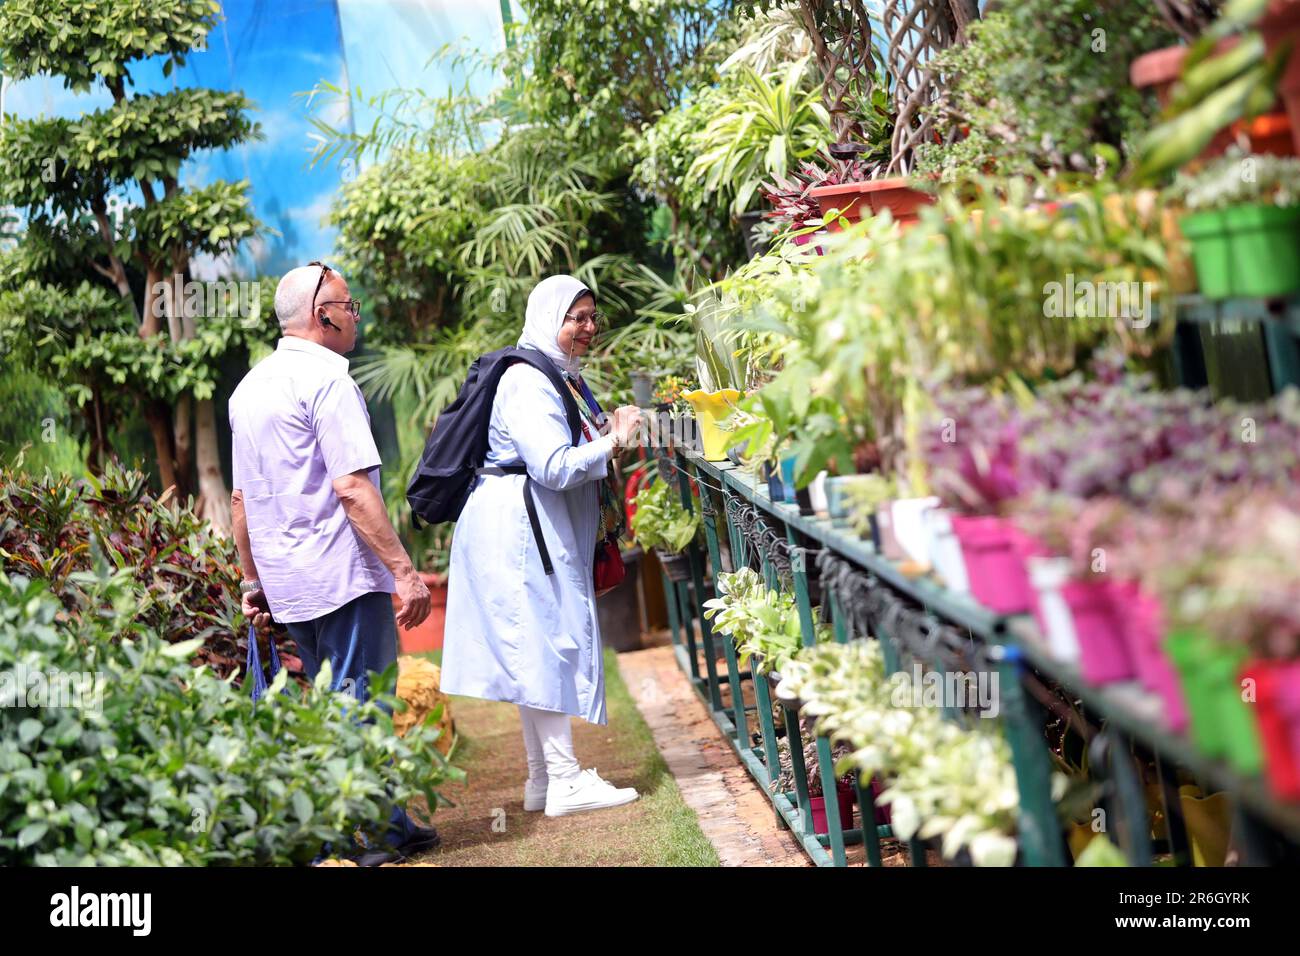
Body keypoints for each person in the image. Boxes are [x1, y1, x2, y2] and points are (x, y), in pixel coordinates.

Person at [228, 261, 438, 864]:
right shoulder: (329, 383)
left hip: (290, 586)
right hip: (341, 578)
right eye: (348, 305)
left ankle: (386, 825)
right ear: (322, 316)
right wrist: (403, 571)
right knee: (361, 703)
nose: (356, 314)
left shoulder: (249, 389)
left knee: (330, 704)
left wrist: (252, 581)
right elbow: (351, 487)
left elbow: (242, 501)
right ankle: (361, 839)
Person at [441, 274, 644, 817]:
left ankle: (543, 780)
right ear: (547, 318)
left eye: (591, 317)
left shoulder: (556, 375)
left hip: (519, 525)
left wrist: (607, 433)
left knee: (533, 648)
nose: (587, 328)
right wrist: (613, 442)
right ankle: (565, 779)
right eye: (575, 318)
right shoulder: (530, 380)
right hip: (519, 529)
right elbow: (552, 466)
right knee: (545, 646)